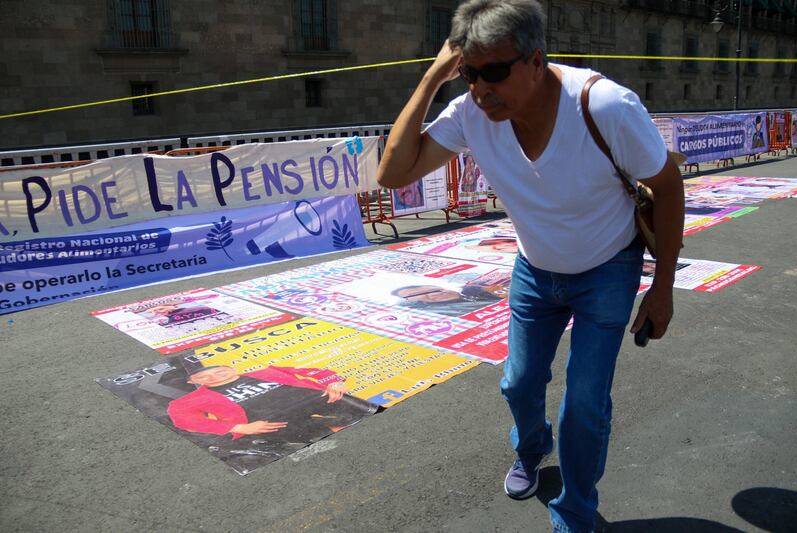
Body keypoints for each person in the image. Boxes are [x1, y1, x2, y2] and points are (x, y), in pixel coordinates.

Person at [375, 1, 684, 531]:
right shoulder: (473, 113)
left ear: (536, 61)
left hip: (607, 269)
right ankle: (533, 447)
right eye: (468, 74)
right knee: (518, 384)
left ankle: (576, 513)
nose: (479, 89)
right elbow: (392, 174)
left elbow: (667, 186)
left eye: (493, 72)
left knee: (584, 403)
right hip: (535, 270)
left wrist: (663, 289)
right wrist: (431, 80)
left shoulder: (605, 105)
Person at [167, 363, 375, 442]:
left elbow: (310, 370)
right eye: (203, 377)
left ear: (232, 369)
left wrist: (334, 382)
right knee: (321, 431)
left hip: (316, 399)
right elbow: (183, 419)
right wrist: (238, 427)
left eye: (219, 371)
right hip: (267, 422)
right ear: (192, 381)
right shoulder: (190, 400)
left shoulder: (266, 371)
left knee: (363, 410)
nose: (213, 377)